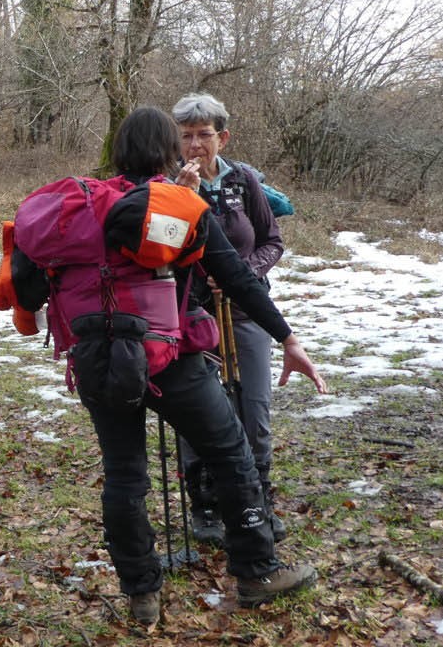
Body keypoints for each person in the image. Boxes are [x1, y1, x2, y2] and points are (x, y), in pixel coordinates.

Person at [56, 106, 328, 624]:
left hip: (99, 359)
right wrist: (288, 338)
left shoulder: (80, 205)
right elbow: (237, 277)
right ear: (169, 150)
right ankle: (256, 572)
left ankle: (141, 595)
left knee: (123, 475)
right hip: (171, 358)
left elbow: (24, 287)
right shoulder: (179, 205)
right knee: (230, 452)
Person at [172, 92, 288, 547]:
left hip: (245, 311)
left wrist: (243, 276)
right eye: (187, 136)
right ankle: (204, 503)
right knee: (199, 412)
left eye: (204, 135)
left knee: (253, 411)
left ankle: (258, 498)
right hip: (193, 317)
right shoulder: (170, 186)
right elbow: (165, 253)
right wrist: (183, 198)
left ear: (223, 137)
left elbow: (270, 241)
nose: (196, 145)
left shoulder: (244, 182)